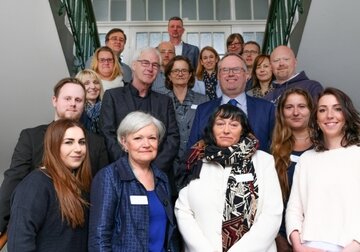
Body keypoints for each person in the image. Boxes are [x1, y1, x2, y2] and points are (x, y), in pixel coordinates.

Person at [0, 77, 109, 236]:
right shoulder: (31, 137)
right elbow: (13, 179)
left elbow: (102, 187)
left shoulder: (96, 143)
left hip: (80, 228)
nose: (73, 103)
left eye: (78, 100)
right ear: (54, 100)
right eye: (67, 98)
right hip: (38, 225)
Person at [175, 104, 283, 252]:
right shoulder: (196, 160)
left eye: (234, 124)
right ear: (211, 129)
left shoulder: (264, 161)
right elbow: (183, 210)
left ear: (243, 130)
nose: (226, 130)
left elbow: (272, 213)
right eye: (220, 124)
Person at [89, 111, 177, 251]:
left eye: (152, 138)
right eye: (138, 138)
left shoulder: (162, 178)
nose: (146, 144)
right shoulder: (110, 177)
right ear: (124, 142)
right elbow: (99, 237)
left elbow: (170, 234)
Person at [286, 87, 360, 252]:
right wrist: (298, 245)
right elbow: (294, 208)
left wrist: (354, 247)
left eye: (337, 109)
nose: (329, 116)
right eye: (322, 110)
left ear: (347, 115)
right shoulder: (306, 159)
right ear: (316, 119)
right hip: (308, 246)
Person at [7, 119, 92, 252]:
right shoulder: (35, 185)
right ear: (54, 145)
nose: (78, 149)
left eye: (82, 142)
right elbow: (20, 242)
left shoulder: (80, 185)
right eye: (69, 142)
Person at [100, 47, 179, 172]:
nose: (150, 68)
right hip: (121, 172)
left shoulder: (165, 101)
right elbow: (107, 135)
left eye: (155, 65)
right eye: (145, 63)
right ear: (134, 65)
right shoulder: (113, 96)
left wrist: (153, 169)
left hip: (158, 175)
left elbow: (172, 138)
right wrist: (130, 167)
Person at [188, 53, 275, 152]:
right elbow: (192, 150)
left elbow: (275, 149)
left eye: (236, 69)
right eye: (225, 70)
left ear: (247, 75)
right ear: (218, 76)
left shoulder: (267, 109)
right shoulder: (202, 110)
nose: (230, 74)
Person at [271, 88, 313, 251]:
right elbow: (266, 201)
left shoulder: (324, 148)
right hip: (281, 237)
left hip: (317, 236)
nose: (296, 112)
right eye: (289, 107)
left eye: (302, 106)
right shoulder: (272, 151)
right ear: (281, 112)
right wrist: (278, 237)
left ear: (311, 110)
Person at [164, 55, 208, 191]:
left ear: (190, 75)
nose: (180, 73)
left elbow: (209, 130)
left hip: (197, 164)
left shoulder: (203, 100)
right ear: (169, 76)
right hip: (169, 164)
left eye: (184, 70)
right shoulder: (161, 101)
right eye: (176, 71)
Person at [76, 69, 104, 134]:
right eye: (86, 83)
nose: (93, 86)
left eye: (96, 82)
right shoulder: (76, 113)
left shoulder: (109, 107)